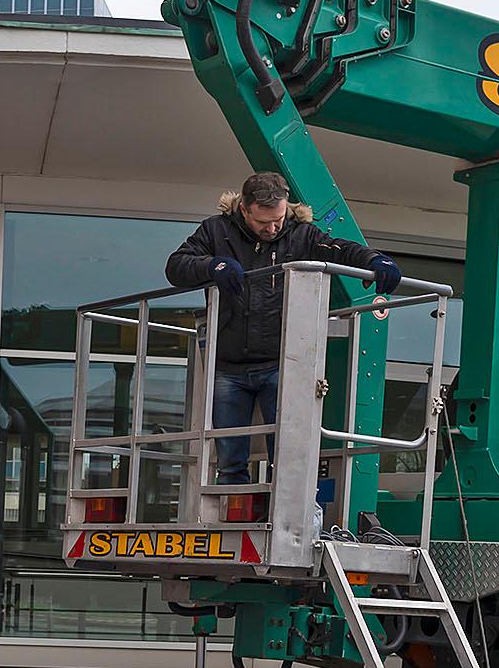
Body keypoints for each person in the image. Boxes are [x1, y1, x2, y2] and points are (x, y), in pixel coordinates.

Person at [165, 172, 405, 483]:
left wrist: (375, 260)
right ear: (244, 209)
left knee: (288, 456)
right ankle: (233, 521)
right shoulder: (215, 230)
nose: (273, 228)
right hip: (228, 364)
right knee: (229, 461)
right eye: (264, 222)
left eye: (278, 219)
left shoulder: (301, 234)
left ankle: (284, 522)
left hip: (280, 363)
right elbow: (176, 265)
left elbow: (340, 249)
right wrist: (213, 266)